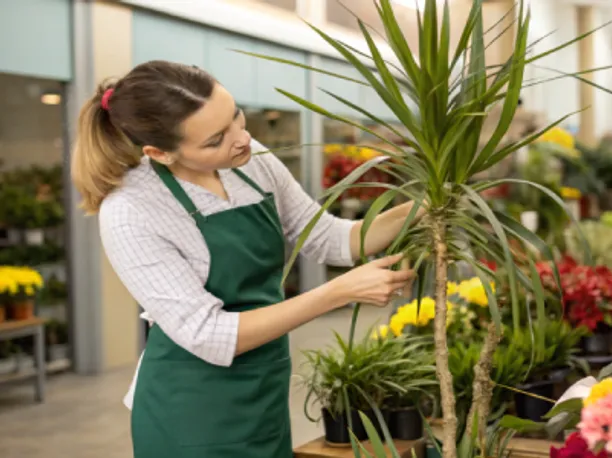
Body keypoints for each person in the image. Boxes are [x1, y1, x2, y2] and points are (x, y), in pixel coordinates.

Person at [71, 60, 418, 458]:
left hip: (265, 394)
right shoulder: (132, 209)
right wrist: (337, 293)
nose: (242, 139)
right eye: (216, 139)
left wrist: (426, 205)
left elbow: (329, 238)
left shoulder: (251, 161)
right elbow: (208, 334)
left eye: (237, 118)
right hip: (191, 411)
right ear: (160, 153)